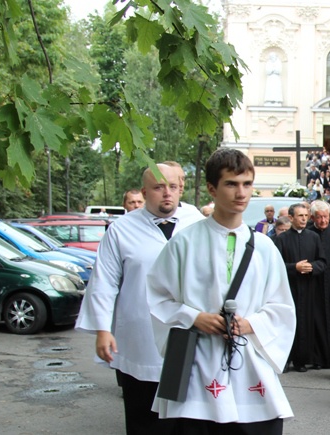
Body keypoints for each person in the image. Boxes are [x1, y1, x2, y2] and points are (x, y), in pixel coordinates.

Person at [147, 148, 296, 434]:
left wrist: (249, 323)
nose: (241, 193)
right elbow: (158, 297)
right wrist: (193, 317)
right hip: (196, 362)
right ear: (212, 189)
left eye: (247, 184)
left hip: (249, 363)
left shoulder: (265, 248)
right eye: (231, 184)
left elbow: (282, 307)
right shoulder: (184, 243)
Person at [76, 164, 201, 435]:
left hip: (187, 334)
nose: (166, 193)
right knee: (144, 417)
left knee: (185, 418)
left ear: (180, 188)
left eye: (172, 186)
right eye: (158, 187)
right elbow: (104, 282)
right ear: (145, 192)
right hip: (139, 335)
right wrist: (102, 330)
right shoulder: (122, 230)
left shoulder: (197, 222)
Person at [274, 203, 327, 372]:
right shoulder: (281, 239)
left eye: (306, 216)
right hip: (289, 287)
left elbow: (323, 261)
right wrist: (294, 268)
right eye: (300, 216)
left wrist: (312, 267)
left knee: (306, 323)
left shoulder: (313, 237)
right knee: (287, 322)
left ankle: (302, 360)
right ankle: (286, 359)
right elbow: (275, 264)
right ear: (291, 218)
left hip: (309, 287)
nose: (304, 219)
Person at [306, 201, 330, 369]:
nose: (322, 221)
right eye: (319, 217)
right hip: (314, 281)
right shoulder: (308, 233)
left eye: (325, 217)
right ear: (312, 217)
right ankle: (317, 358)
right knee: (317, 318)